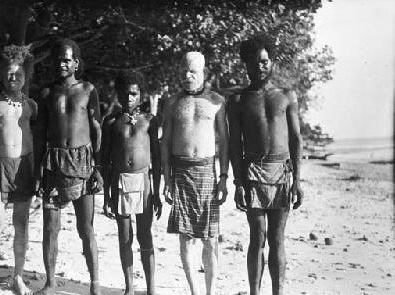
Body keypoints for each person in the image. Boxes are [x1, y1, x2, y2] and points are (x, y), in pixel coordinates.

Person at [228, 34, 304, 295]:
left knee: (277, 238)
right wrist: (237, 182)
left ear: (272, 62)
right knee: (256, 237)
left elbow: (296, 139)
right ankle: (254, 293)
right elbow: (235, 146)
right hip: (253, 173)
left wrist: (299, 182)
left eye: (263, 62)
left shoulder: (286, 96)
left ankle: (278, 292)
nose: (259, 67)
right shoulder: (238, 101)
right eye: (253, 62)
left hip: (282, 172)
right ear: (245, 65)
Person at [34, 38, 103, 295]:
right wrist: (38, 170)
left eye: (67, 59)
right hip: (53, 163)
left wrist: (98, 167)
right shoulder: (47, 92)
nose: (62, 64)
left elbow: (97, 129)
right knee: (51, 227)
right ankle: (51, 283)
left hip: (83, 162)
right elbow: (40, 132)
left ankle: (95, 285)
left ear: (76, 63)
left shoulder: (88, 89)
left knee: (86, 227)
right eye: (58, 59)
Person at [161, 51, 229, 295]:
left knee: (210, 238)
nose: (187, 75)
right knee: (186, 237)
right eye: (184, 71)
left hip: (207, 173)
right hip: (180, 172)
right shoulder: (172, 102)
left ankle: (210, 292)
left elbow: (225, 142)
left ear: (204, 73)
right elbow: (165, 142)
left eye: (193, 71)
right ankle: (194, 291)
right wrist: (166, 179)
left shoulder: (217, 101)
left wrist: (223, 178)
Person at [0, 45, 37, 295]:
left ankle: (18, 277)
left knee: (21, 224)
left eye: (19, 74)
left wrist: (37, 173)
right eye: (10, 73)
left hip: (24, 168)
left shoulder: (31, 106)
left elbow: (36, 139)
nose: (14, 77)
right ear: (3, 75)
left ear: (26, 77)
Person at [101, 71, 162, 295]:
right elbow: (105, 160)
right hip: (119, 182)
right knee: (125, 235)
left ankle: (151, 289)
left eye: (133, 93)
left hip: (143, 181)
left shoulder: (149, 121)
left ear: (141, 95)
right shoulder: (111, 122)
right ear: (117, 94)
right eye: (124, 93)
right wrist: (106, 196)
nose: (129, 97)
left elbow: (156, 158)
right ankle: (129, 288)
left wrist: (156, 192)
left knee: (145, 234)